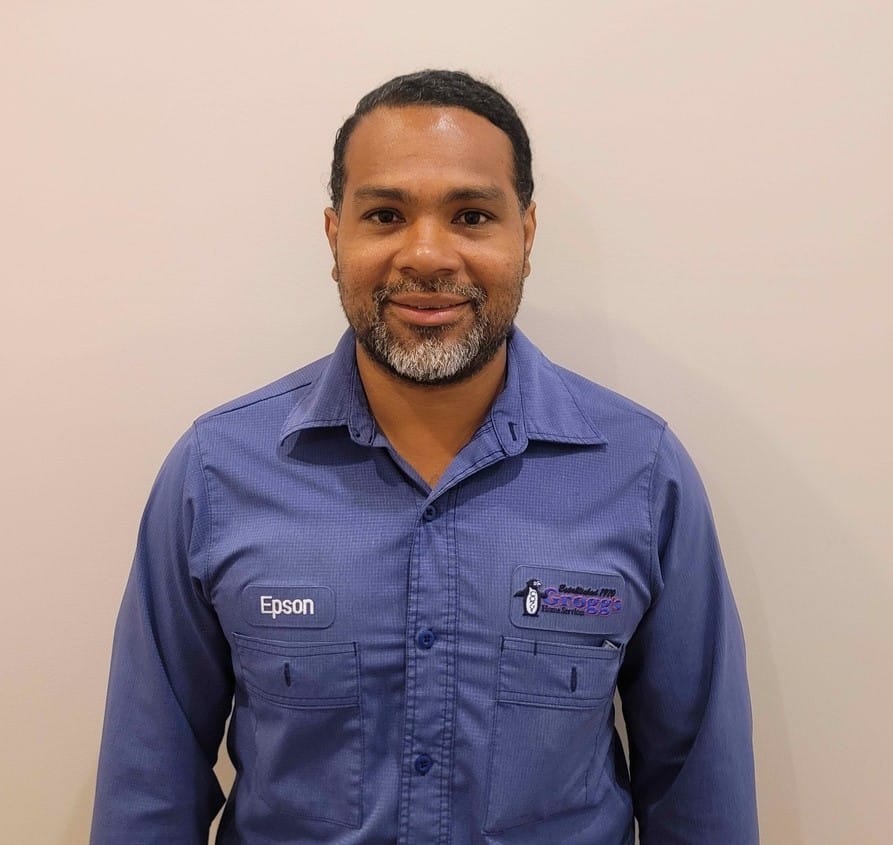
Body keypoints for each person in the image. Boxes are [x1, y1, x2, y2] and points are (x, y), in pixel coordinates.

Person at [91, 69, 758, 844]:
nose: (428, 254)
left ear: (525, 235)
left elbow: (697, 792)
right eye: (385, 214)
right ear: (335, 236)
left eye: (471, 215)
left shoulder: (639, 474)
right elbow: (149, 787)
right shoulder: (215, 471)